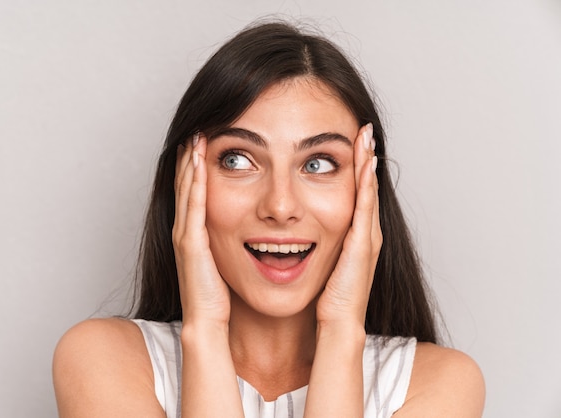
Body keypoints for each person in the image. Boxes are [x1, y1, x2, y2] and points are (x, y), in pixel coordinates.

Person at [53, 20, 485, 417]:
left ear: (366, 190)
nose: (280, 206)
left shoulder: (436, 384)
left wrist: (340, 331)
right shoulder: (103, 359)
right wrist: (204, 327)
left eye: (318, 164)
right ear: (185, 182)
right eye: (239, 160)